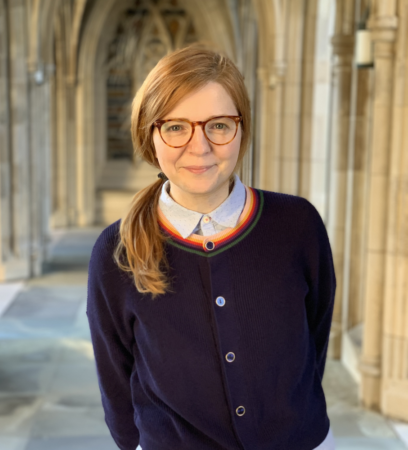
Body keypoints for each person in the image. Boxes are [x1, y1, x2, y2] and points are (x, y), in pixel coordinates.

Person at [86, 44, 337, 450]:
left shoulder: (297, 225)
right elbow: (115, 378)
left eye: (219, 125)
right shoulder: (116, 251)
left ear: (242, 129)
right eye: (175, 126)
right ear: (151, 135)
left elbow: (313, 338)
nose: (199, 147)